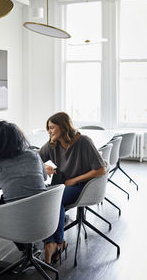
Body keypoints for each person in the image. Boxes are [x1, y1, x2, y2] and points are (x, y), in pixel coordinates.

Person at [39, 112, 106, 264]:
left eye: (52, 128)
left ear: (63, 127)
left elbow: (101, 170)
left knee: (55, 200)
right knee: (50, 199)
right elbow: (33, 159)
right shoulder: (52, 144)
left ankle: (57, 243)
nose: (49, 131)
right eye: (48, 128)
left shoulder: (84, 142)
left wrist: (74, 180)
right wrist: (45, 165)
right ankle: (53, 243)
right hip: (64, 186)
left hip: (85, 187)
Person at [0, 120, 47, 251]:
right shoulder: (33, 155)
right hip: (45, 213)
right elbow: (44, 177)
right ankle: (31, 250)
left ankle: (27, 250)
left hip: (17, 216)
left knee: (4, 201)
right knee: (4, 199)